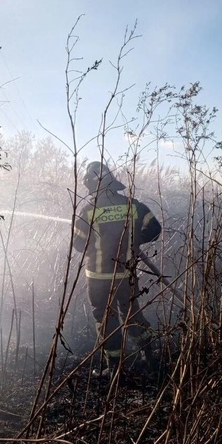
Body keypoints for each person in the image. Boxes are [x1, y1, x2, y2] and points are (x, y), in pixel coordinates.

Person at [72, 161, 162, 378]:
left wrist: (97, 242)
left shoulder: (88, 211)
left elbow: (77, 244)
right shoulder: (133, 206)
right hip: (126, 276)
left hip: (97, 277)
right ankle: (149, 355)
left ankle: (114, 368)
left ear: (92, 186)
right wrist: (135, 241)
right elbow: (155, 229)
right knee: (132, 312)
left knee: (105, 318)